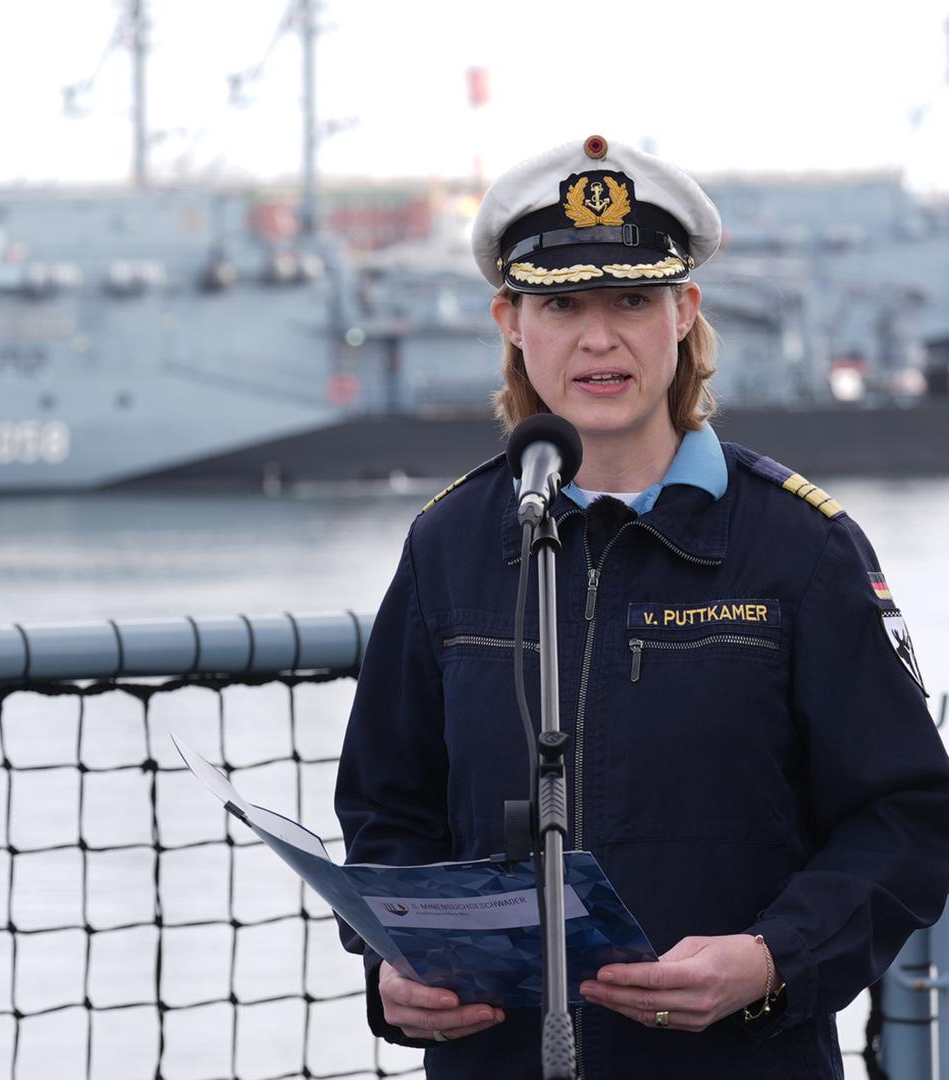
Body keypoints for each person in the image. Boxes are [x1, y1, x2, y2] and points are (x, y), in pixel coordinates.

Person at [333, 135, 949, 1078]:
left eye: (632, 299)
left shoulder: (801, 549)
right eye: (560, 304)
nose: (598, 338)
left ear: (684, 312)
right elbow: (388, 808)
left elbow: (907, 815)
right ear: (510, 320)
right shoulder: (448, 546)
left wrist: (773, 959)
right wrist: (392, 968)